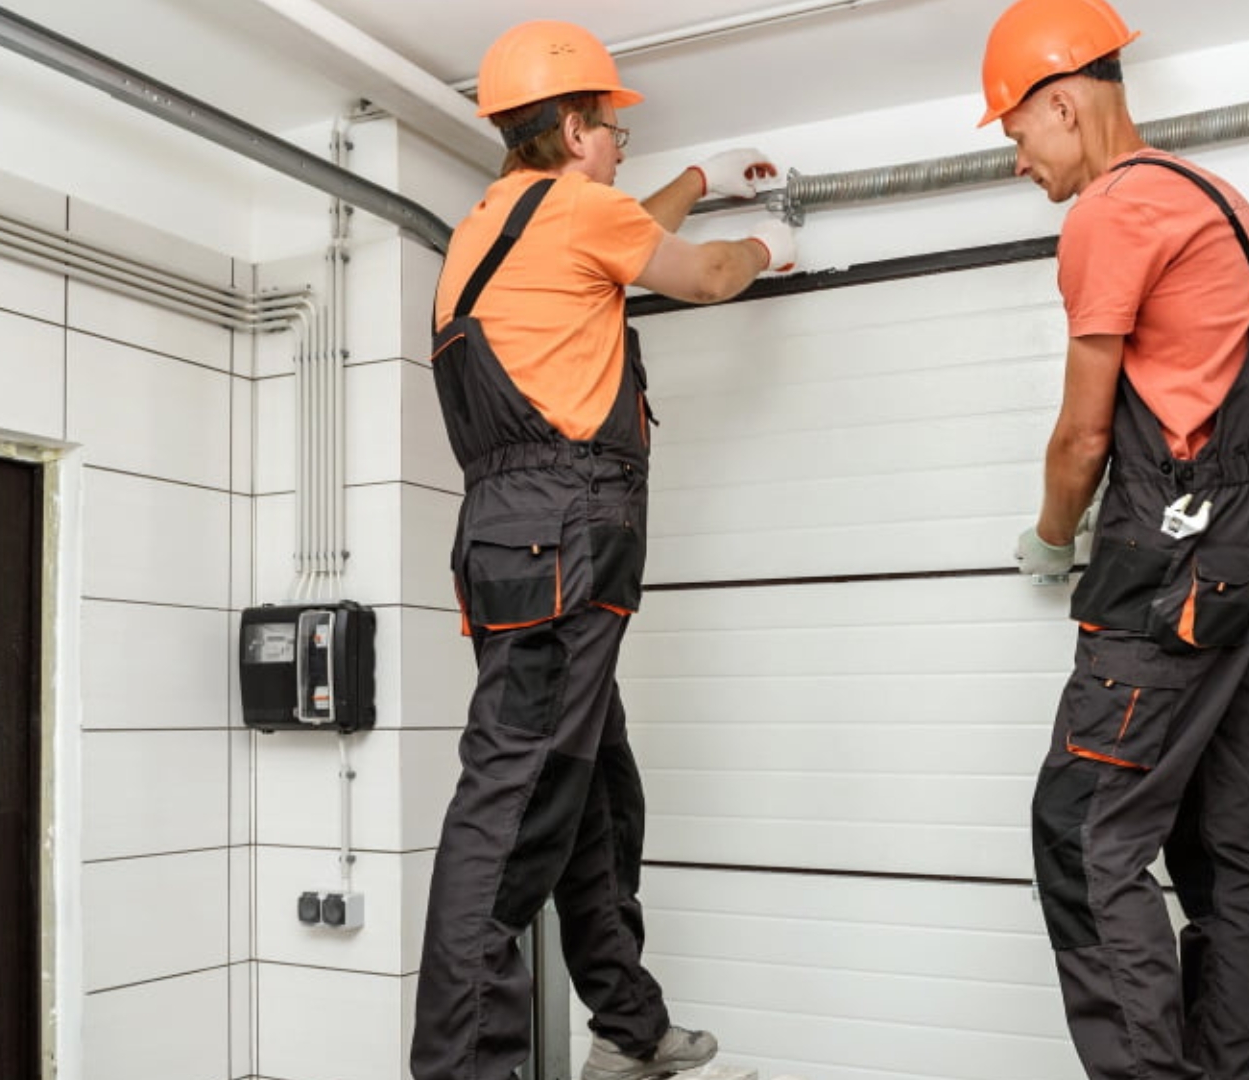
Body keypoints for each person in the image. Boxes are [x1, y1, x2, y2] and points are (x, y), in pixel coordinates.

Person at [412, 19, 796, 1080]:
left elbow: (626, 234)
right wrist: (769, 246)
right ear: (576, 129)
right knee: (516, 814)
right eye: (614, 129)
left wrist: (698, 175)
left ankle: (628, 1029)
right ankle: (461, 1071)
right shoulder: (577, 213)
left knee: (594, 791)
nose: (620, 144)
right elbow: (704, 274)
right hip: (562, 537)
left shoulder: (496, 224)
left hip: (520, 541)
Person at [981, 1, 1249, 1078]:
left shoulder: (1113, 213)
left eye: (1019, 137)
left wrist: (1049, 538)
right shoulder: (1221, 200)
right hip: (1242, 543)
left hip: (1167, 553)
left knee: (1080, 834)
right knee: (1225, 849)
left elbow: (1083, 434)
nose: (1021, 163)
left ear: (1064, 102)